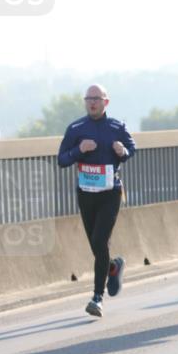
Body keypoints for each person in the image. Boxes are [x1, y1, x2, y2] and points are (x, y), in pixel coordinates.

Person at [57, 84, 136, 317]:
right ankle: (112, 266)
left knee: (100, 240)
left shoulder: (116, 127)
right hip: (86, 193)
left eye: (97, 99)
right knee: (95, 244)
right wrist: (78, 150)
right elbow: (61, 159)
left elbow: (132, 148)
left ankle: (97, 297)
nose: (92, 102)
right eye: (89, 99)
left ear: (106, 102)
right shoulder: (76, 128)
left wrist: (123, 151)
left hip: (111, 193)